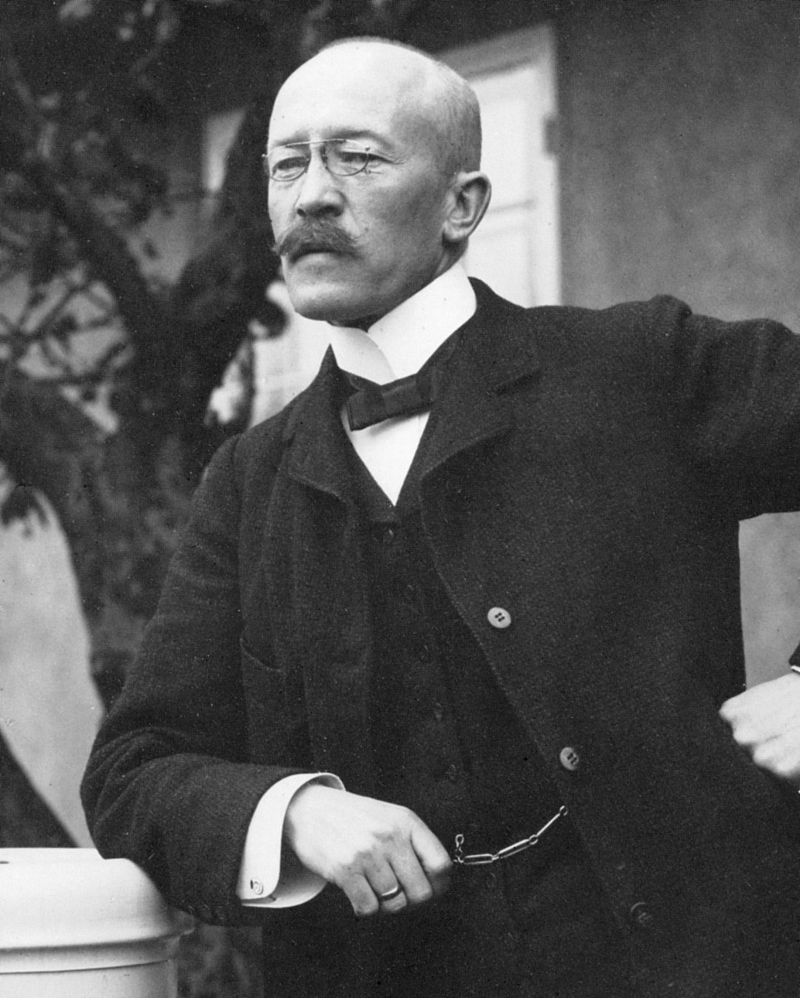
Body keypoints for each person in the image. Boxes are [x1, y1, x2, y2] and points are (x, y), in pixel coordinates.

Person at [82, 37, 800, 998]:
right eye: (287, 165)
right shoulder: (246, 483)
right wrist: (291, 811)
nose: (312, 195)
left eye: (358, 157)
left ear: (462, 206)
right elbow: (133, 772)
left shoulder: (640, 368)